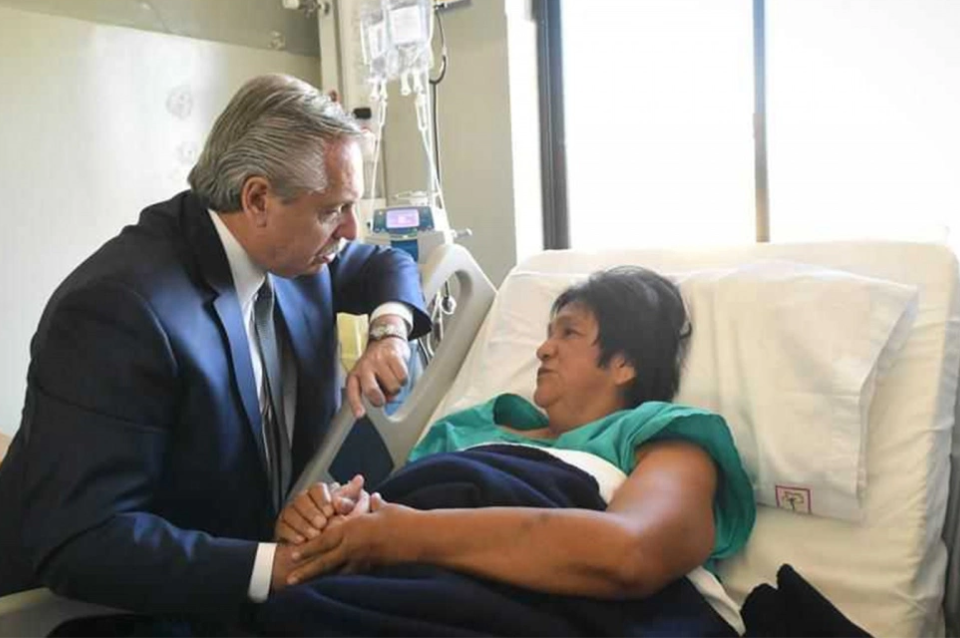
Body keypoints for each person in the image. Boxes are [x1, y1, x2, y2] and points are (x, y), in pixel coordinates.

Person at [0, 74, 430, 623]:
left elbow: (381, 264)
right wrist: (275, 567)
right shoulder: (120, 312)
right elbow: (83, 540)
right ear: (258, 199)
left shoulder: (292, 250)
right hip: (113, 605)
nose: (350, 230)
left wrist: (389, 330)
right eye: (333, 210)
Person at [265, 266, 756, 636]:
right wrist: (325, 523)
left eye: (569, 332)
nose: (543, 349)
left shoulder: (663, 439)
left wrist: (401, 533)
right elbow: (384, 522)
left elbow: (631, 552)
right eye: (547, 334)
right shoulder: (466, 430)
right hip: (394, 596)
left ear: (624, 363)